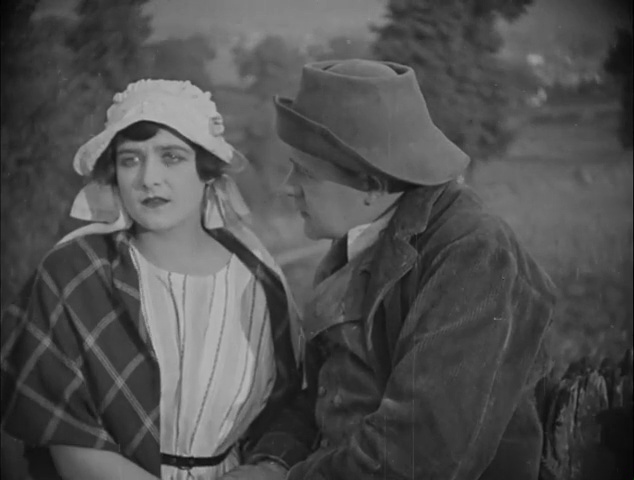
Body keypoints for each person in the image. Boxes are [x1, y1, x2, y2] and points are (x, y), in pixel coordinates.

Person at [0, 80, 315, 480]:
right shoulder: (73, 274)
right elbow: (68, 438)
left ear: (206, 170)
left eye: (172, 157)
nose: (149, 178)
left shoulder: (258, 283)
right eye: (130, 159)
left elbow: (292, 409)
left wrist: (267, 468)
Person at [273, 59, 558, 480]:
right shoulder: (356, 242)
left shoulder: (472, 253)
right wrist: (272, 460)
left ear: (371, 185)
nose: (286, 186)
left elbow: (421, 452)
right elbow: (320, 392)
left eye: (305, 172)